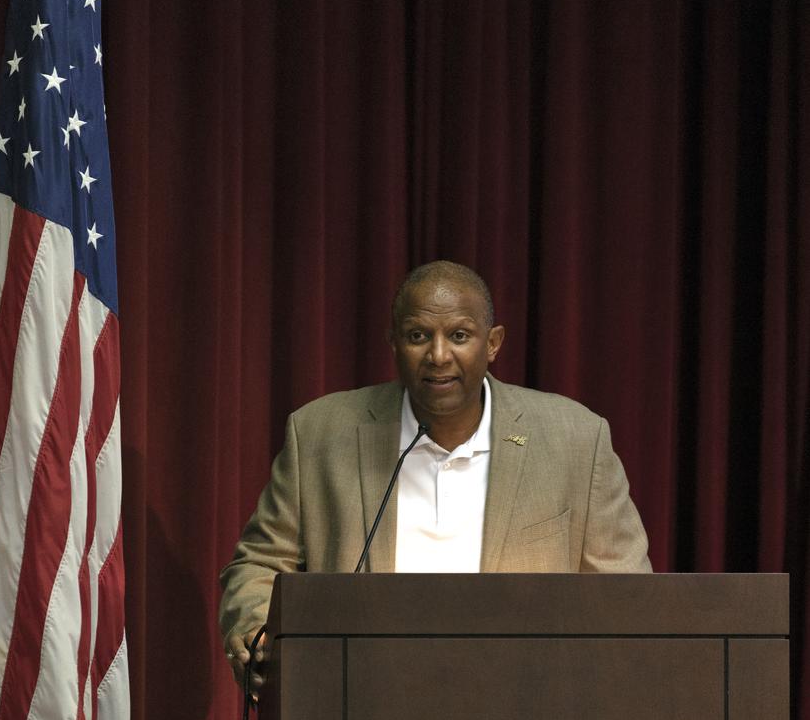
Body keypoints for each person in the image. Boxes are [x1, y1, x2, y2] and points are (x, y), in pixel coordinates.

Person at [220, 260, 650, 693]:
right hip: (361, 699)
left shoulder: (576, 439)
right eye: (418, 336)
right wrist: (257, 630)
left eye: (459, 335)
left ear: (493, 343)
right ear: (393, 342)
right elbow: (260, 563)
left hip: (526, 702)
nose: (438, 356)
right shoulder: (320, 433)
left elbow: (628, 595)